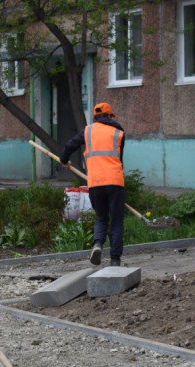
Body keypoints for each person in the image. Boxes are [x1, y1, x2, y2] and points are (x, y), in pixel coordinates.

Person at [60, 102, 126, 267]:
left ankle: (97, 245)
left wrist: (64, 160)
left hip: (95, 182)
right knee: (116, 221)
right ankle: (115, 260)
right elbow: (119, 160)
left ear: (95, 117)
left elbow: (70, 145)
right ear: (110, 116)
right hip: (115, 181)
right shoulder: (119, 133)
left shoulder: (88, 131)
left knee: (101, 217)